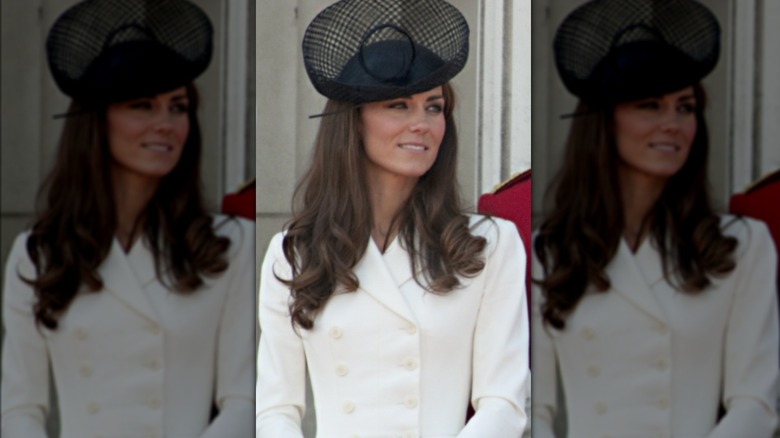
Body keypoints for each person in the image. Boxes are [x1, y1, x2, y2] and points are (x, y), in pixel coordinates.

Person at [255, 0, 529, 437]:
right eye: (399, 106)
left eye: (434, 107)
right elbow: (275, 411)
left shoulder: (488, 244)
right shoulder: (294, 252)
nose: (421, 123)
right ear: (353, 122)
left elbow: (504, 404)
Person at [1, 1, 255, 437]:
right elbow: (20, 408)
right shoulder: (39, 254)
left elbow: (244, 401)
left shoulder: (229, 244)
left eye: (178, 107)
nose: (166, 123)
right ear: (95, 121)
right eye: (142, 105)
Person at [532, 0, 779, 437]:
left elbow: (755, 404)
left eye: (685, 107)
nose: (673, 123)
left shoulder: (740, 246)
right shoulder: (549, 253)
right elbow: (536, 408)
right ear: (604, 122)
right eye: (650, 105)